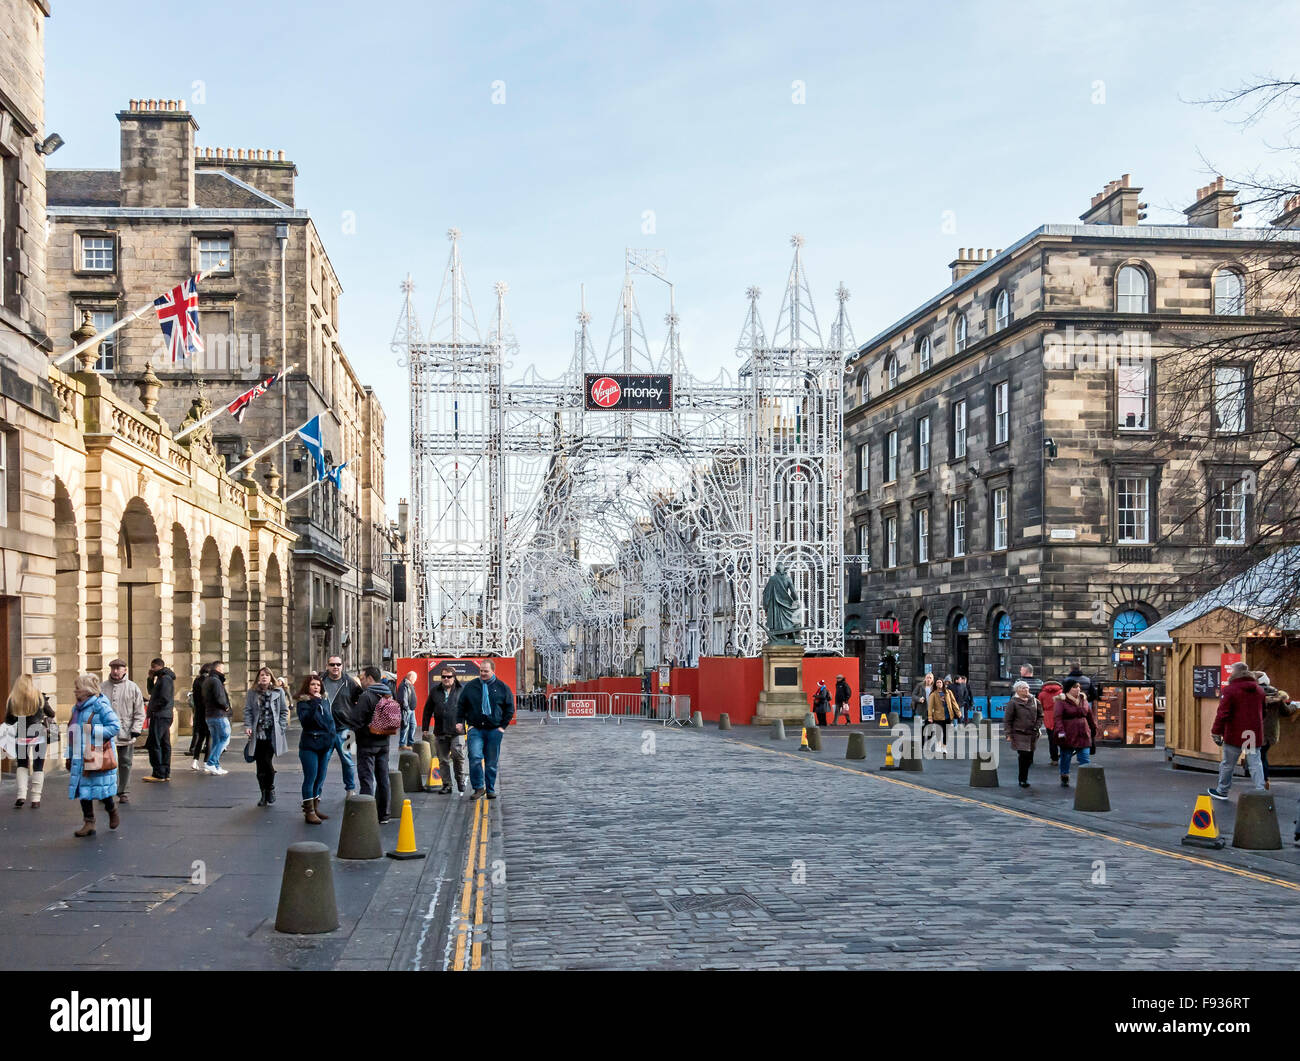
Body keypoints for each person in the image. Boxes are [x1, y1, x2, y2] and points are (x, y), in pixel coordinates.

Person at [67, 673, 121, 837]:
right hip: (79, 754)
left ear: (87, 690)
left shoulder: (100, 705)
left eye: (78, 688)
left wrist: (94, 732)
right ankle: (89, 822)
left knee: (100, 789)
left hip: (96, 753)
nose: (75, 691)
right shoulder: (75, 708)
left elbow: (114, 726)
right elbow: (72, 734)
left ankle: (111, 809)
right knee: (83, 788)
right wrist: (69, 756)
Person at [1207, 661, 1266, 801]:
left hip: (1234, 733)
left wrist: (1216, 732)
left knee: (1228, 764)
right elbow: (1264, 712)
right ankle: (1261, 790)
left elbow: (1223, 714)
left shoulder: (1230, 690)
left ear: (1235, 673)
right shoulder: (1259, 690)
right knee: (1255, 763)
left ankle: (1222, 791)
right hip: (1251, 734)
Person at [458, 659, 515, 800]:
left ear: (493, 671)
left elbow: (509, 708)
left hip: (494, 730)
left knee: (491, 762)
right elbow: (461, 706)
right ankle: (478, 788)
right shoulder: (471, 687)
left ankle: (490, 789)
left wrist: (502, 727)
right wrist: (460, 722)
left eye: (486, 671)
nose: (482, 673)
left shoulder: (502, 687)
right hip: (475, 729)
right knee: (475, 757)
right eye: (481, 671)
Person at [353, 665, 396, 823]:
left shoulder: (367, 696)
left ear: (370, 678)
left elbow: (357, 720)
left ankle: (367, 815)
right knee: (383, 778)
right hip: (384, 743)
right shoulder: (388, 693)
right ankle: (384, 814)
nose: (362, 682)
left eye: (363, 678)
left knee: (366, 779)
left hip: (367, 744)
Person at [6, 675, 54, 809]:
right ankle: (36, 799)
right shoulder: (39, 697)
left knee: (22, 764)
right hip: (39, 732)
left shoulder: (13, 699)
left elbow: (9, 720)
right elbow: (51, 713)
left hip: (21, 732)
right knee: (38, 766)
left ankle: (21, 795)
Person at [101, 658, 145, 804]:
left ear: (125, 670)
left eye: (118, 668)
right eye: (113, 668)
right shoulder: (102, 687)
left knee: (125, 762)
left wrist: (136, 729)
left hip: (126, 731)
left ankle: (123, 791)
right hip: (106, 732)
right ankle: (106, 790)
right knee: (106, 763)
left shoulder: (133, 688)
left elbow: (139, 711)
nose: (115, 671)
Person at [244, 667, 289, 807]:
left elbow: (283, 711)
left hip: (272, 733)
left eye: (267, 675)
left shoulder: (278, 692)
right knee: (260, 766)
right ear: (258, 678)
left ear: (271, 678)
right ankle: (263, 794)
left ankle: (270, 788)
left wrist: (281, 727)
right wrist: (248, 726)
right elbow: (248, 710)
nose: (264, 677)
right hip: (258, 734)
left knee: (267, 763)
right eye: (262, 675)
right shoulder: (252, 693)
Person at [296, 673, 336, 824]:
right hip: (309, 744)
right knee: (310, 777)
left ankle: (315, 806)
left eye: (318, 685)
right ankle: (309, 811)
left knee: (320, 778)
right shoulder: (303, 703)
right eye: (313, 685)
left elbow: (329, 721)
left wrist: (332, 738)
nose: (315, 687)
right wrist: (314, 703)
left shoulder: (324, 701)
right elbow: (306, 722)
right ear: (307, 687)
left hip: (325, 744)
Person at [423, 665, 467, 795]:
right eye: (444, 677)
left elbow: (468, 709)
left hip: (456, 731)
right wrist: (425, 728)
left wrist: (465, 723)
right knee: (443, 760)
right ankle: (447, 784)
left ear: (454, 677)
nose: (446, 679)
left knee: (458, 755)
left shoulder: (461, 690)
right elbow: (427, 710)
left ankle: (460, 779)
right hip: (440, 730)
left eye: (449, 676)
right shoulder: (434, 691)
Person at [322, 655, 361, 795]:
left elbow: (359, 702)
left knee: (348, 761)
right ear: (327, 666)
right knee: (322, 762)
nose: (335, 667)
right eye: (332, 664)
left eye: (338, 664)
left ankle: (350, 789)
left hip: (346, 729)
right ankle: (316, 793)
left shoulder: (350, 682)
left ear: (342, 666)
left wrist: (354, 721)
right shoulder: (321, 681)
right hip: (325, 730)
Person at [1254, 671, 1293, 789]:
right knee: (1262, 755)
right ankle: (1264, 781)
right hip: (1270, 732)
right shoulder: (1277, 695)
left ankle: (1260, 781)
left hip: (1252, 731)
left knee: (1255, 757)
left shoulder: (1252, 694)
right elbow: (1286, 712)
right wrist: (1294, 706)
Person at [1054, 678, 1096, 787]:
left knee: (1085, 757)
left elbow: (1089, 715)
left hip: (1083, 732)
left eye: (1078, 687)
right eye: (1074, 687)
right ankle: (1064, 775)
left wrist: (1094, 727)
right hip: (1069, 732)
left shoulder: (1083, 699)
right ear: (1068, 689)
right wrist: (1060, 732)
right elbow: (1057, 718)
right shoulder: (1061, 701)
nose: (1078, 689)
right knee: (1066, 755)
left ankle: (1086, 779)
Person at [1005, 680, 1044, 788]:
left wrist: (1037, 725)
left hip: (1032, 733)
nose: (1026, 690)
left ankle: (1024, 775)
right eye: (1023, 688)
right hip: (1019, 733)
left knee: (1028, 757)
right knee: (1023, 755)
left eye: (1027, 688)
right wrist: (1008, 733)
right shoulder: (1013, 702)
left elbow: (1041, 715)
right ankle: (1023, 779)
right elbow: (1008, 720)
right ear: (1017, 690)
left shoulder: (1035, 701)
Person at [143, 657, 175, 782]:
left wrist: (154, 708)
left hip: (161, 715)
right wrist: (150, 679)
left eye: (153, 667)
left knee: (154, 743)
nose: (151, 669)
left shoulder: (165, 679)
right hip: (163, 715)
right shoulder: (162, 678)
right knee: (163, 743)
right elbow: (151, 691)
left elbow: (164, 698)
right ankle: (165, 772)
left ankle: (158, 773)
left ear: (158, 666)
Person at [202, 661, 232, 775]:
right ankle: (211, 762)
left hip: (209, 715)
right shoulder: (216, 681)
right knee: (225, 738)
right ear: (218, 669)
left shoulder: (207, 681)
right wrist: (226, 707)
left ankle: (215, 765)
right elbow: (220, 698)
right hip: (219, 714)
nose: (224, 671)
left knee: (216, 740)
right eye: (223, 669)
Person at [188, 662, 212, 771]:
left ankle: (195, 760)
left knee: (200, 738)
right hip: (209, 713)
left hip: (198, 713)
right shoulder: (210, 681)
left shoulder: (196, 681)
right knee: (209, 739)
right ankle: (206, 762)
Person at [927, 677, 960, 754]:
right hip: (937, 716)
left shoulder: (948, 692)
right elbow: (930, 706)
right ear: (935, 684)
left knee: (946, 732)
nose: (939, 684)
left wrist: (958, 712)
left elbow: (954, 702)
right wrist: (930, 716)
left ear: (943, 683)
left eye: (940, 682)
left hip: (948, 715)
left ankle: (944, 747)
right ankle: (938, 744)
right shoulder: (933, 694)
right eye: (937, 682)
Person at [1037, 677, 1063, 764]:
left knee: (1052, 740)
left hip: (1048, 718)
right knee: (1062, 738)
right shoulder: (1061, 692)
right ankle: (1064, 756)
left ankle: (1054, 759)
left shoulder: (1042, 694)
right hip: (1060, 719)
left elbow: (1040, 707)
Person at [396, 669, 418, 751]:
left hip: (411, 709)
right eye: (415, 678)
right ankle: (402, 744)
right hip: (407, 710)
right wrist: (406, 708)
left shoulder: (409, 685)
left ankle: (410, 743)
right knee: (405, 726)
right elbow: (402, 699)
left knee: (413, 725)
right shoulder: (404, 685)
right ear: (411, 677)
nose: (415, 680)